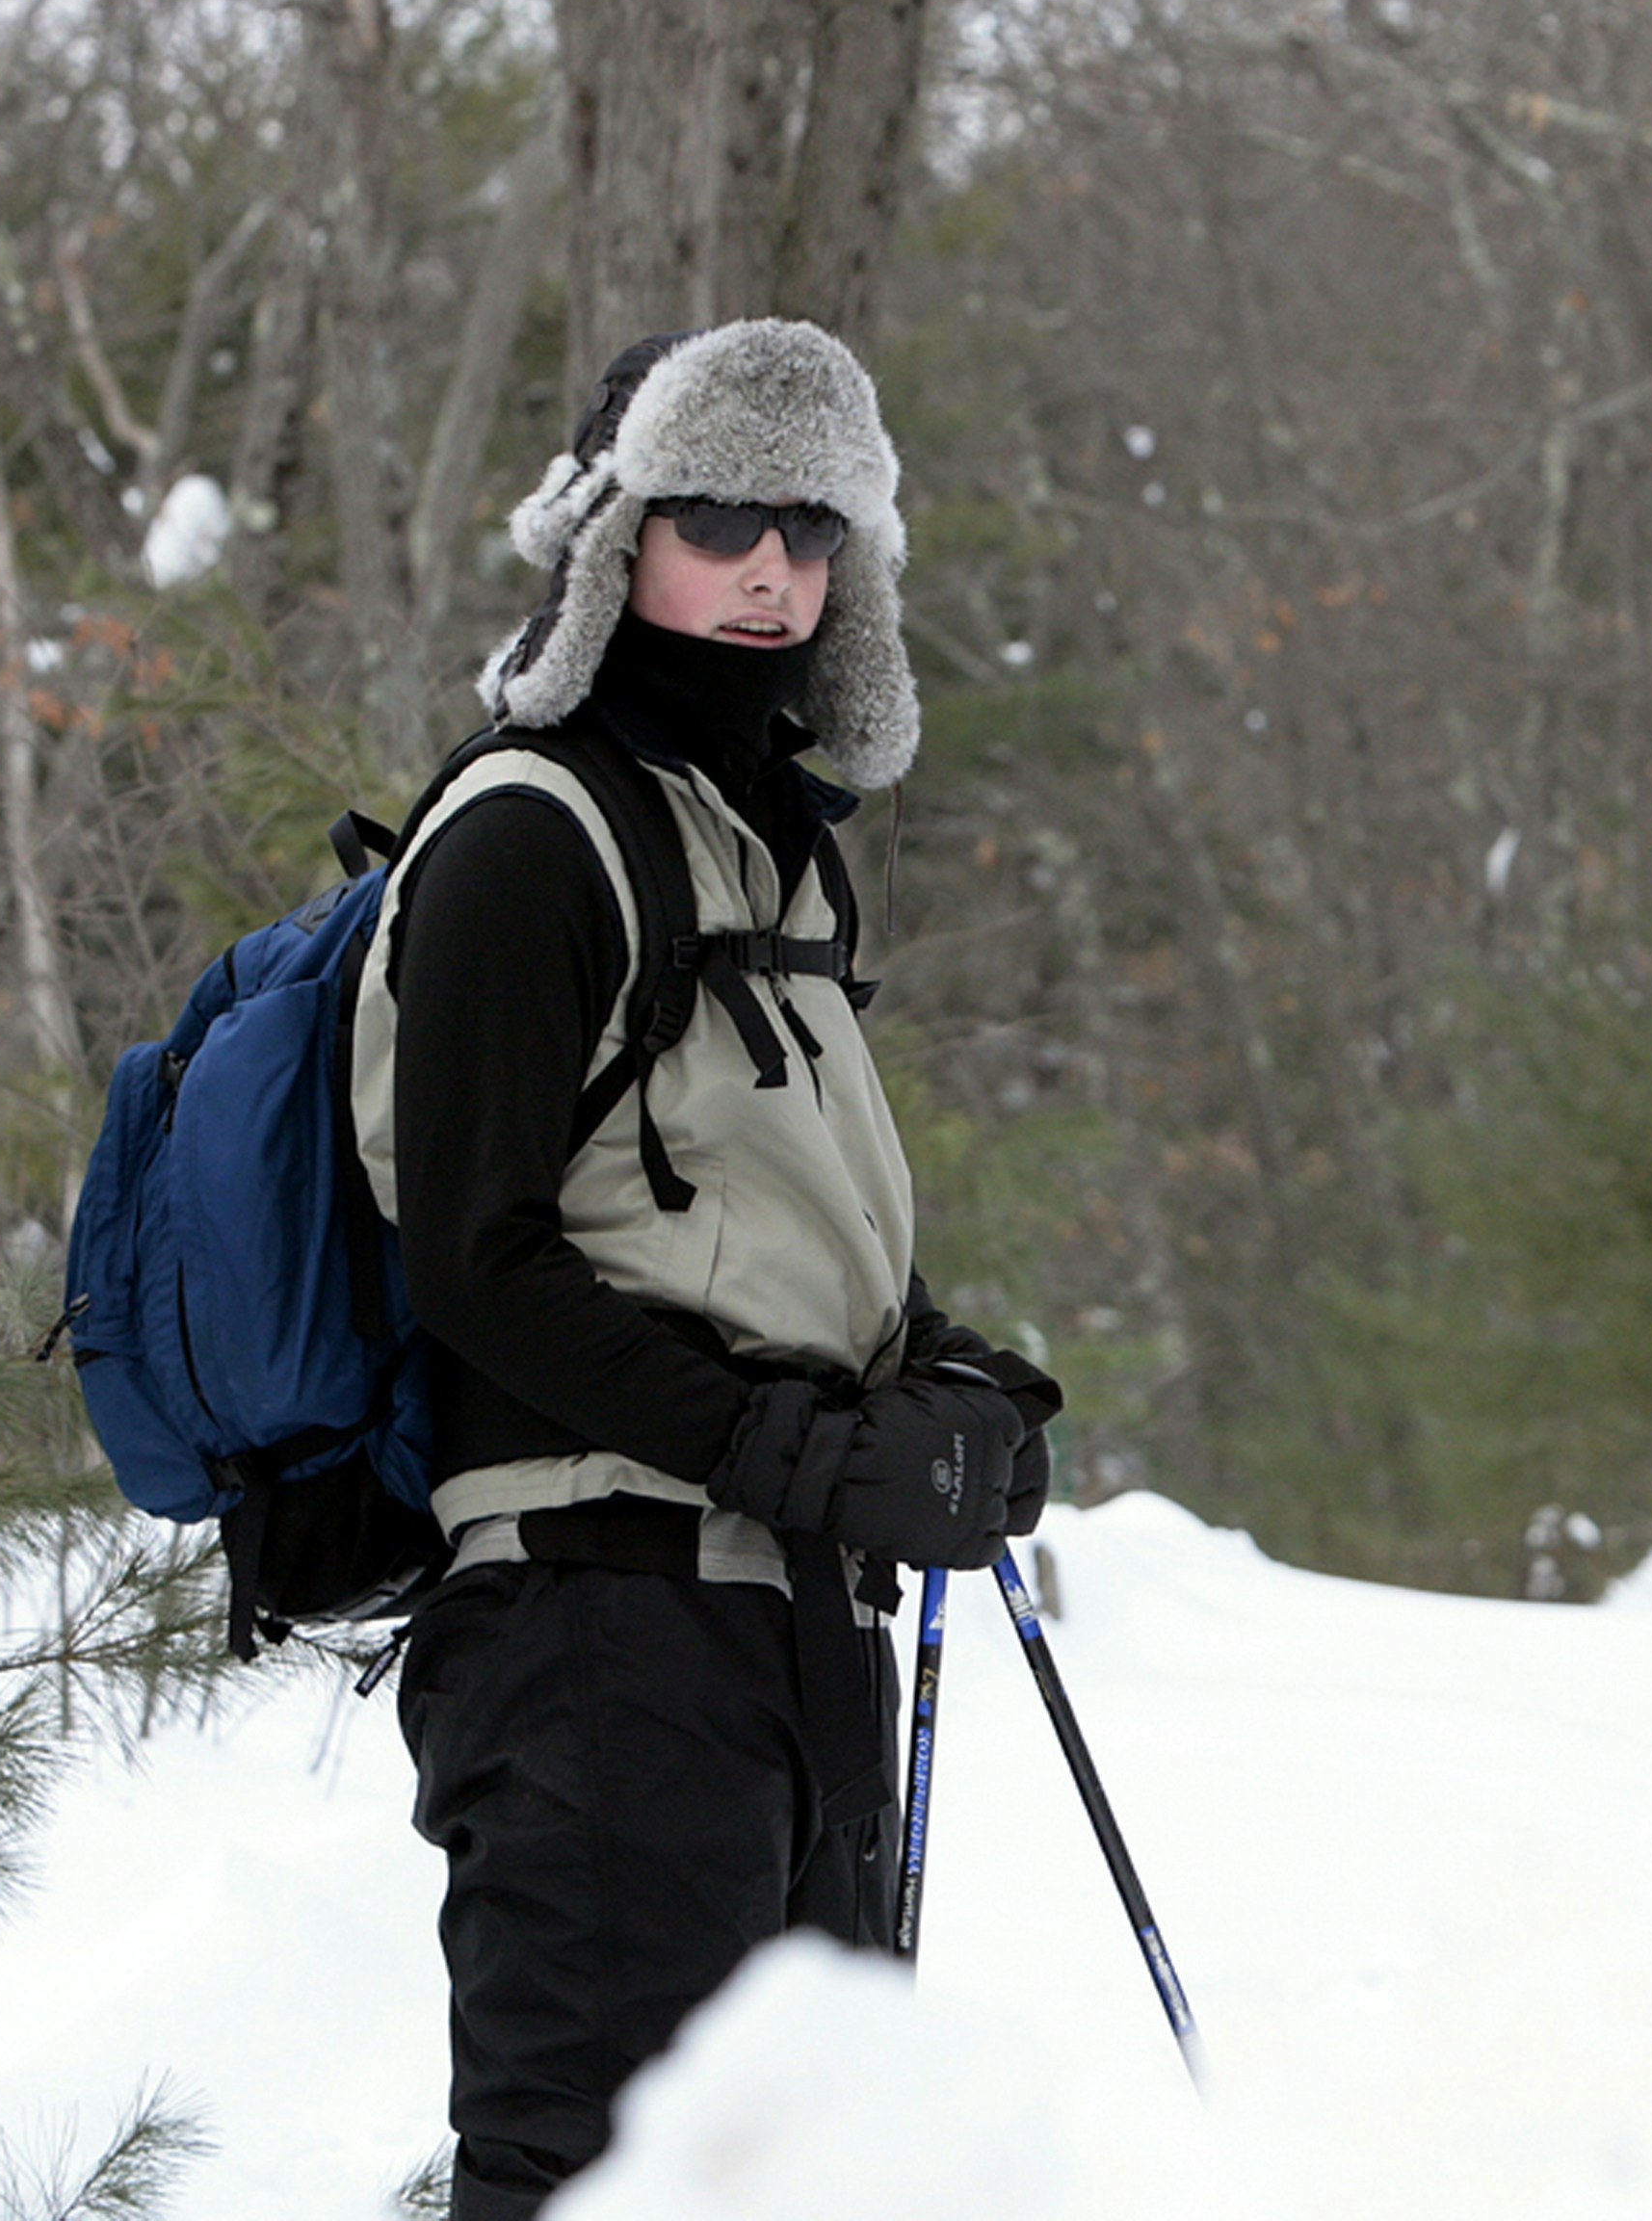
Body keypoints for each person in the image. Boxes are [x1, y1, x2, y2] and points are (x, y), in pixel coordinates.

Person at [349, 320, 1054, 2221]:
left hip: (781, 1619)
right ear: (615, 531)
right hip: (595, 1621)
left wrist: (954, 1389)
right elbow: (476, 1265)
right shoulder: (524, 835)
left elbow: (771, 1230)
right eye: (723, 513)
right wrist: (792, 1451)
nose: (772, 569)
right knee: (599, 2177)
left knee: (798, 2179)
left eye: (815, 526)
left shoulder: (776, 852)